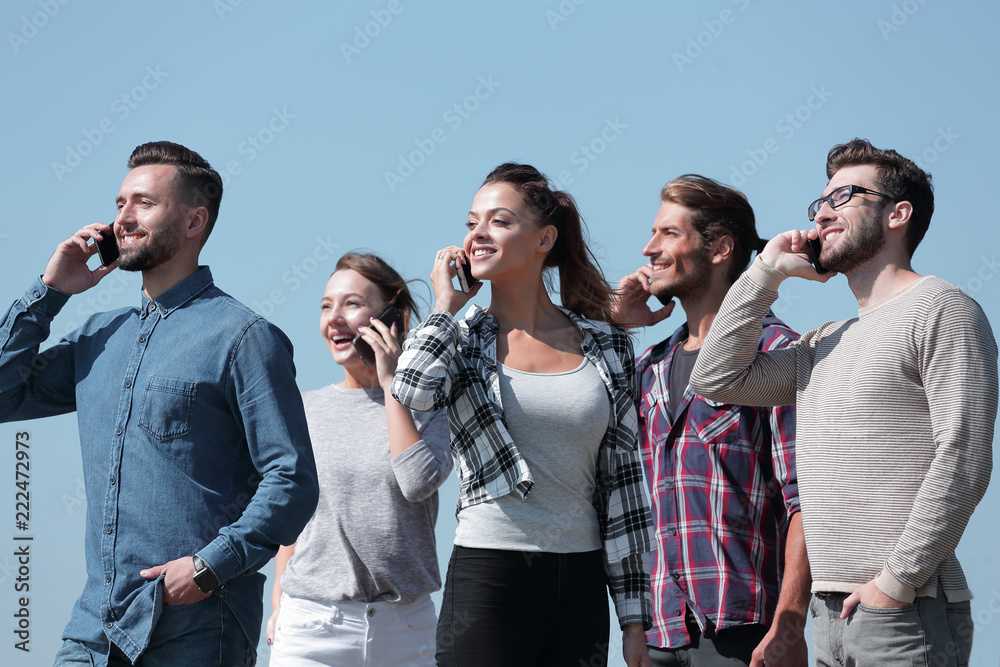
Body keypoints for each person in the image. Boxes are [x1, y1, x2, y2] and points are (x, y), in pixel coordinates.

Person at [0, 141, 319, 666]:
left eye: (143, 203)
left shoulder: (244, 337)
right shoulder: (98, 336)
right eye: (120, 203)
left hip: (194, 625)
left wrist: (210, 566)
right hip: (93, 629)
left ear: (194, 222)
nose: (122, 218)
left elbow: (291, 478)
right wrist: (50, 291)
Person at [690, 138, 997, 667]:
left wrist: (895, 582)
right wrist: (767, 272)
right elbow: (716, 378)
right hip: (827, 614)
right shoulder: (823, 341)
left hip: (904, 610)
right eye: (820, 202)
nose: (823, 212)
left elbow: (964, 455)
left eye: (844, 196)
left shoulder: (943, 308)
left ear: (898, 214)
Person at [391, 163, 655, 667]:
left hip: (580, 583)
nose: (478, 235)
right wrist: (445, 307)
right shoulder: (461, 337)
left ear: (544, 238)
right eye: (472, 224)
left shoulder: (605, 343)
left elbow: (621, 485)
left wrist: (634, 619)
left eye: (499, 221)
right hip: (490, 575)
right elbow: (413, 390)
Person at [613, 175, 808, 667]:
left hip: (745, 633)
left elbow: (804, 500)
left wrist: (789, 624)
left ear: (721, 248)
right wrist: (611, 322)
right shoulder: (647, 367)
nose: (648, 248)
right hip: (660, 632)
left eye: (668, 234)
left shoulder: (778, 354)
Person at [266, 252, 451, 666]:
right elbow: (290, 514)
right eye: (326, 306)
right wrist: (278, 602)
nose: (334, 318)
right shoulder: (302, 410)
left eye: (351, 304)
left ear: (394, 316)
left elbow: (418, 481)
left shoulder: (430, 406)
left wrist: (392, 386)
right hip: (313, 626)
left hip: (407, 630)